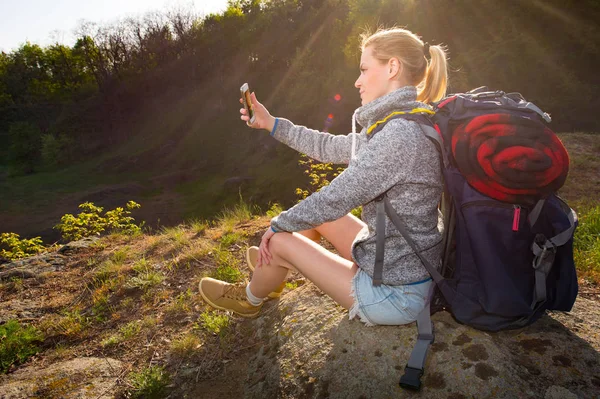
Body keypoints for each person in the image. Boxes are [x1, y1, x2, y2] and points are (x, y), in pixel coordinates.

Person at [199, 27, 448, 326]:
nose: (357, 81)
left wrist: (278, 225)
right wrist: (271, 123)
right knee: (313, 221)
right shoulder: (401, 123)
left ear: (392, 67)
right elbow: (328, 146)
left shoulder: (398, 136)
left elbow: (336, 198)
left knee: (279, 239)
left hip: (396, 294)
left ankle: (250, 298)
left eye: (364, 69)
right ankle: (274, 273)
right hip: (400, 265)